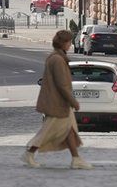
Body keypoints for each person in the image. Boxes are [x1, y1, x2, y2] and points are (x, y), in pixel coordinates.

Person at [23, 30, 92, 170]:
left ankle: (76, 159)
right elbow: (62, 85)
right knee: (48, 132)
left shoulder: (58, 58)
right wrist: (73, 102)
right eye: (69, 42)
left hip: (61, 103)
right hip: (58, 104)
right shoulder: (58, 60)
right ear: (63, 43)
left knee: (70, 131)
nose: (70, 45)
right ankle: (29, 153)